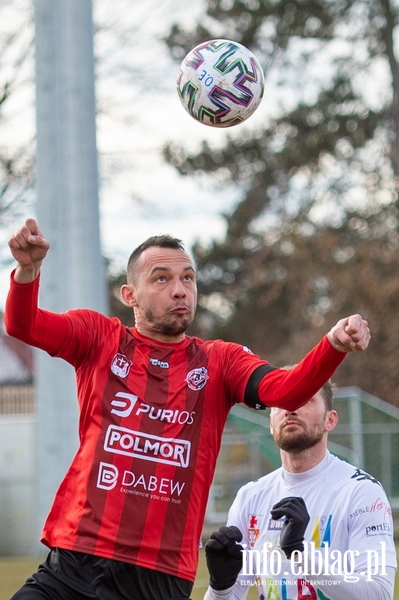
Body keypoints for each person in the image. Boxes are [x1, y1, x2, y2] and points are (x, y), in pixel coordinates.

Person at [5, 218, 371, 600]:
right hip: (75, 561)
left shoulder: (219, 361)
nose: (180, 290)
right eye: (161, 278)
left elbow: (286, 390)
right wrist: (27, 271)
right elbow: (24, 325)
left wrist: (332, 344)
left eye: (188, 279)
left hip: (158, 577)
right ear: (130, 294)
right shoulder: (100, 338)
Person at [204, 378, 397, 600]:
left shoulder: (361, 491)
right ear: (271, 423)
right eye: (281, 400)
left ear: (330, 420)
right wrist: (220, 588)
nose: (291, 408)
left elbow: (380, 594)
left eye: (304, 399)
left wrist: (300, 554)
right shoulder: (250, 497)